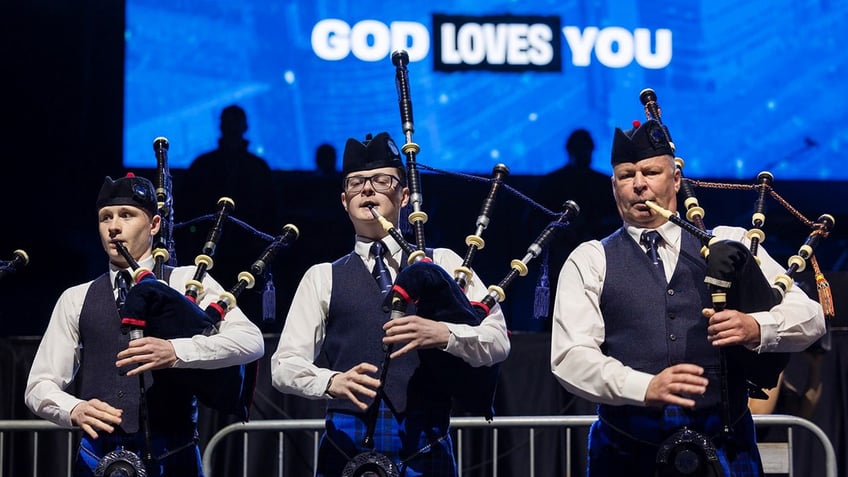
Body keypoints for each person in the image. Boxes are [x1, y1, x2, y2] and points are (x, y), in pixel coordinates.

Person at [550, 119, 826, 476]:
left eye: (651, 172)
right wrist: (644, 386)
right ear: (614, 187)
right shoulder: (590, 259)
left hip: (726, 449)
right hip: (626, 453)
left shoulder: (732, 243)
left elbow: (811, 316)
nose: (639, 184)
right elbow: (569, 357)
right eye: (625, 175)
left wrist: (756, 325)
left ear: (676, 181)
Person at [270, 132, 510, 476]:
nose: (367, 189)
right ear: (343, 200)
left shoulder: (443, 262)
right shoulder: (322, 277)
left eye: (382, 181)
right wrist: (330, 381)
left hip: (426, 442)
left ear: (405, 195)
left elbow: (497, 340)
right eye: (355, 183)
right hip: (347, 446)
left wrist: (444, 334)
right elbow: (284, 364)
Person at [25, 174, 264, 476]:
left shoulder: (187, 281)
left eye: (126, 215)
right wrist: (73, 408)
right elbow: (39, 385)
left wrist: (175, 351)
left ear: (153, 225)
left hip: (174, 460)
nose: (113, 227)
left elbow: (250, 340)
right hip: (97, 460)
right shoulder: (76, 298)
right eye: (105, 217)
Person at [180, 104, 278, 326]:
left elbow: (270, 213)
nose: (232, 126)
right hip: (206, 256)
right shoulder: (203, 165)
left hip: (249, 257)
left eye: (236, 121)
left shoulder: (258, 168)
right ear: (221, 125)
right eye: (228, 121)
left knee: (246, 319)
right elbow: (188, 213)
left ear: (244, 126)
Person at [533, 129, 618, 325]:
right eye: (579, 149)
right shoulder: (551, 182)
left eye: (586, 149)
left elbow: (617, 219)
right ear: (570, 150)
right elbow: (536, 219)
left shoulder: (604, 184)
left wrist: (592, 228)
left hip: (598, 251)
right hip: (558, 254)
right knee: (558, 301)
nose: (583, 154)